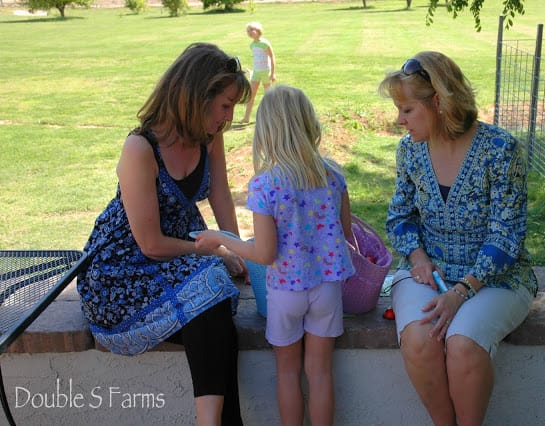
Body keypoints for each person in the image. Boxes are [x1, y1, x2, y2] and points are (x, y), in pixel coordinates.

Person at [76, 42, 252, 426]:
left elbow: (220, 193)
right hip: (122, 272)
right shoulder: (141, 147)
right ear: (195, 96)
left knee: (214, 316)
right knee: (210, 292)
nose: (229, 116)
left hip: (180, 260)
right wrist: (217, 252)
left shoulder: (209, 136)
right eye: (225, 105)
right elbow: (150, 244)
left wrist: (238, 250)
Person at [378, 51, 538, 426]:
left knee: (463, 344)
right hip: (428, 271)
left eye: (407, 110)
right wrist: (417, 258)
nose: (399, 120)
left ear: (439, 102)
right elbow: (399, 217)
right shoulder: (410, 150)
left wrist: (461, 291)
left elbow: (507, 233)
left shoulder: (500, 149)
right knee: (419, 339)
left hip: (496, 278)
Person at [195, 84, 355, 426]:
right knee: (321, 374)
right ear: (308, 124)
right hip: (327, 289)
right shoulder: (334, 175)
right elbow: (345, 234)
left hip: (284, 292)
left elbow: (264, 253)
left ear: (268, 131)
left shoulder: (266, 184)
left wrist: (221, 239)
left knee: (287, 373)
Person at [239, 21, 276, 124]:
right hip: (256, 72)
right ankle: (246, 117)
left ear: (258, 31)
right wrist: (253, 71)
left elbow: (272, 57)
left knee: (268, 95)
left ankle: (271, 117)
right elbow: (257, 58)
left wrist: (273, 73)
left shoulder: (265, 43)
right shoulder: (252, 45)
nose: (250, 32)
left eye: (252, 30)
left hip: (266, 72)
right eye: (248, 31)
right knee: (251, 95)